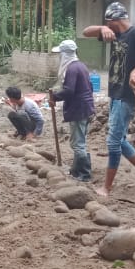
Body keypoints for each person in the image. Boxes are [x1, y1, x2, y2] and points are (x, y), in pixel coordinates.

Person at [82, 2, 135, 197]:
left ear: (115, 20)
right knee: (119, 139)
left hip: (128, 95)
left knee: (113, 142)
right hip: (115, 93)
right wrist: (101, 28)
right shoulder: (114, 33)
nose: (107, 26)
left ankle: (106, 188)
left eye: (108, 23)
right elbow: (86, 32)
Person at [47, 40, 94, 181]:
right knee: (81, 141)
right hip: (86, 107)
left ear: (65, 54)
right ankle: (76, 170)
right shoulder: (81, 66)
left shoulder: (72, 69)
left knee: (77, 143)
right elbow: (89, 87)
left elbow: (69, 91)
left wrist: (54, 97)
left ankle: (84, 174)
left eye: (60, 54)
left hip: (78, 109)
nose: (60, 57)